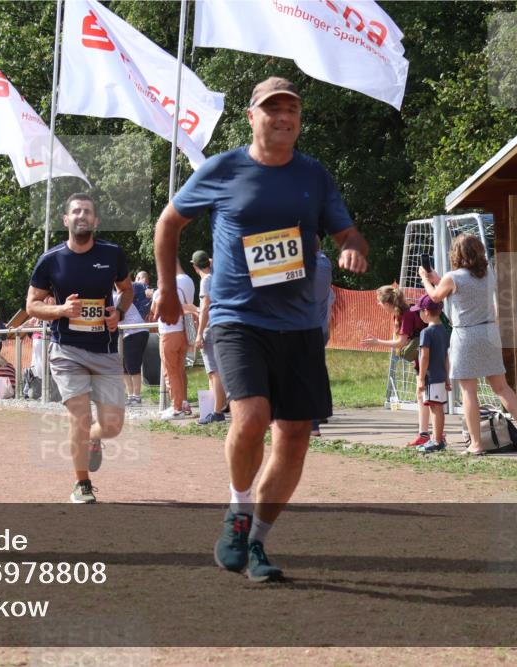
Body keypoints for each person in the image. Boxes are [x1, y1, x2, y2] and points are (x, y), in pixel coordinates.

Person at [153, 77, 368, 581]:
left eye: (291, 109)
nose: (283, 116)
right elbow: (168, 223)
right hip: (236, 316)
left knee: (294, 436)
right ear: (252, 116)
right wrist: (166, 287)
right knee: (250, 418)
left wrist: (352, 244)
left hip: (298, 324)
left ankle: (257, 543)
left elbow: (345, 229)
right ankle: (237, 510)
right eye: (272, 109)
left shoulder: (314, 175)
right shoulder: (223, 168)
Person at [26, 192, 132, 504]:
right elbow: (31, 305)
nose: (82, 216)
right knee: (80, 417)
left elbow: (125, 291)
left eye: (87, 212)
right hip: (66, 350)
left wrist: (119, 312)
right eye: (76, 212)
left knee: (112, 425)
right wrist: (60, 311)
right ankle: (82, 483)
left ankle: (95, 440)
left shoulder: (112, 254)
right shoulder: (51, 260)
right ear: (66, 220)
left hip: (105, 350)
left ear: (95, 221)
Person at [420, 233, 517, 454]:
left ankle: (476, 444)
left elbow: (436, 297)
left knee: (469, 391)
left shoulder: (452, 277)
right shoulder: (488, 274)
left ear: (457, 253)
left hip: (466, 335)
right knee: (502, 387)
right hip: (489, 332)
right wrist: (439, 280)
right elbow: (460, 288)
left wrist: (427, 280)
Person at [361, 285, 430, 446]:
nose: (378, 305)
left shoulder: (406, 315)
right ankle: (424, 433)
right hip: (422, 359)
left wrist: (377, 342)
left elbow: (400, 343)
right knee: (423, 395)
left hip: (427, 359)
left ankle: (433, 435)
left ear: (387, 302)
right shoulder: (401, 314)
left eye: (380, 301)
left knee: (428, 396)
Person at [151, 261, 196, 419]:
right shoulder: (181, 290)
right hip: (182, 334)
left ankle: (176, 408)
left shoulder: (160, 292)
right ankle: (184, 404)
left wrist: (153, 295)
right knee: (179, 371)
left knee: (170, 373)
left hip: (168, 335)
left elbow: (154, 313)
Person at [192, 250, 227, 424]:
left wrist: (199, 333)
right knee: (214, 371)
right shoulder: (216, 277)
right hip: (219, 326)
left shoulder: (206, 280)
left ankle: (217, 411)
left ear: (194, 266)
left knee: (214, 372)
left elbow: (205, 306)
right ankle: (217, 408)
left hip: (209, 327)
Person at [413, 295, 450, 453]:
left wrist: (421, 378)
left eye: (419, 311)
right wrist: (447, 376)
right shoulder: (444, 330)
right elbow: (446, 356)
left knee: (435, 408)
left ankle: (436, 440)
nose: (419, 314)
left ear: (426, 312)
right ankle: (438, 438)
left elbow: (424, 356)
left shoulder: (426, 332)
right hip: (441, 375)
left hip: (432, 377)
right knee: (438, 407)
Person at [310, 247, 335, 436]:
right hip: (321, 328)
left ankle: (313, 421)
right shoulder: (325, 264)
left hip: (306, 329)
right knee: (317, 370)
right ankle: (321, 412)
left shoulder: (312, 268)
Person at [115, 277, 148, 406]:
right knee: (124, 366)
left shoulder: (115, 298)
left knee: (132, 364)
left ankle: (137, 396)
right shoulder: (115, 297)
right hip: (127, 332)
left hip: (135, 332)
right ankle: (130, 395)